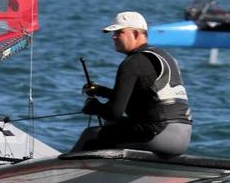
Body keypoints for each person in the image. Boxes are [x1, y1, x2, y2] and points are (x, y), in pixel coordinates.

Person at [73, 11, 192, 156]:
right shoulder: (165, 56)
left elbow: (113, 113)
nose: (114, 37)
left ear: (136, 34)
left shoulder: (133, 62)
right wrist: (101, 91)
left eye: (119, 32)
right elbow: (145, 100)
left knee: (91, 135)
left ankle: (60, 172)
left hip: (158, 135)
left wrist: (93, 107)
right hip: (182, 138)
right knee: (114, 128)